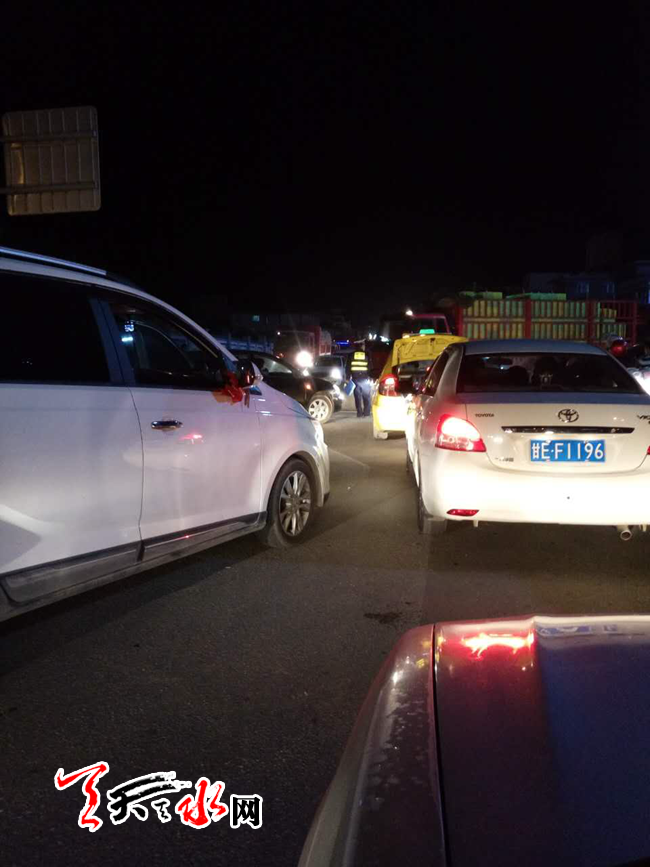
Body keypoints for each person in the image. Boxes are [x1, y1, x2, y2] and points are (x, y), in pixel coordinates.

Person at [349, 350, 371, 417]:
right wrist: (371, 376)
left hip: (355, 379)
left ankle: (359, 413)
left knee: (357, 397)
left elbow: (348, 367)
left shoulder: (351, 355)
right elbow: (370, 367)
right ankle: (366, 413)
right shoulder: (366, 354)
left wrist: (347, 377)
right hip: (365, 379)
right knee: (366, 397)